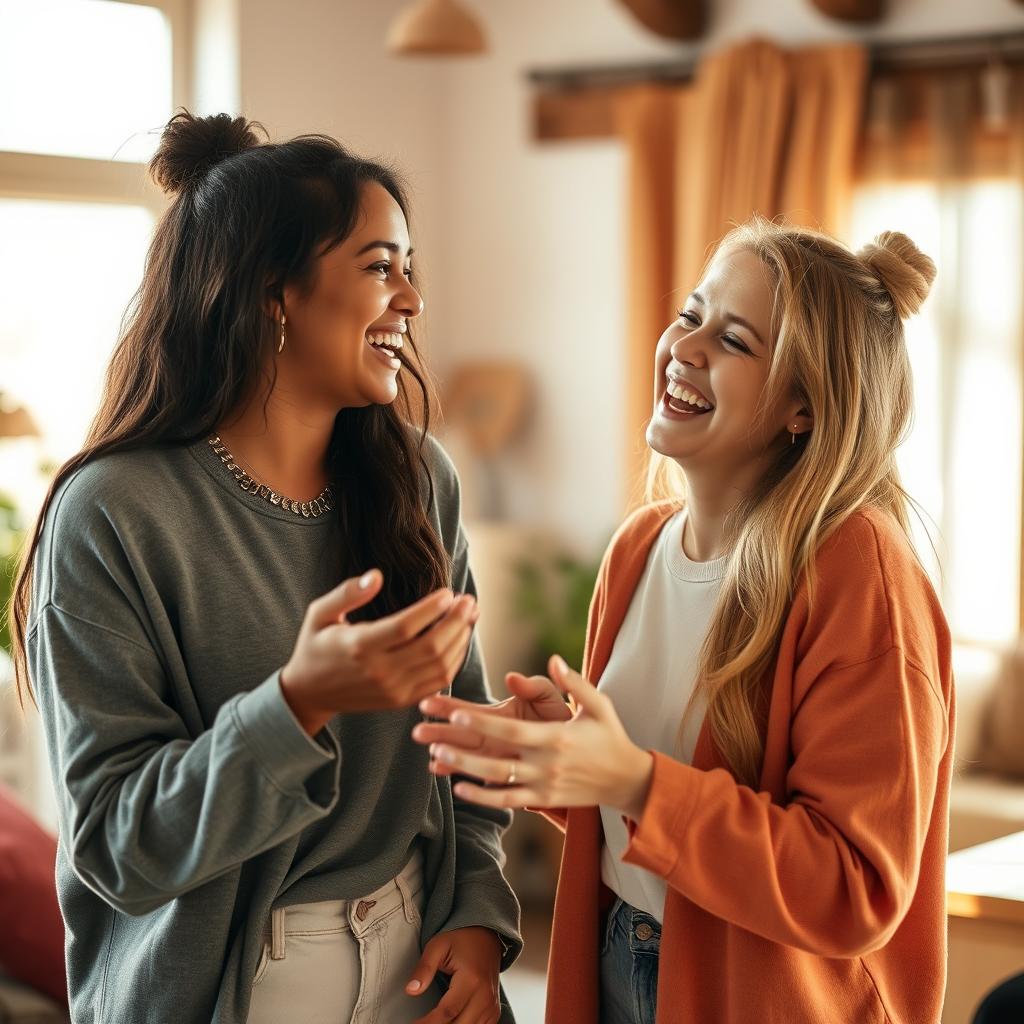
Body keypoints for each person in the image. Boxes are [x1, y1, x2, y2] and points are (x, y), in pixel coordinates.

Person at [9, 111, 520, 1024]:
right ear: (274, 291)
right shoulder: (112, 515)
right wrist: (297, 706)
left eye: (411, 269)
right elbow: (119, 846)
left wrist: (479, 915)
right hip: (236, 988)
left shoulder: (416, 477)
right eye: (379, 268)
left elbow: (460, 744)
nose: (410, 300)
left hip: (420, 964)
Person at [414, 218, 953, 1024]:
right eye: (691, 315)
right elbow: (650, 814)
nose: (687, 347)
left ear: (802, 409)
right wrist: (560, 759)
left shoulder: (857, 571)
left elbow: (853, 889)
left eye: (735, 340)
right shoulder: (640, 549)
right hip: (616, 963)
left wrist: (628, 777)